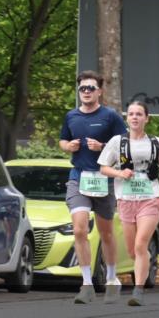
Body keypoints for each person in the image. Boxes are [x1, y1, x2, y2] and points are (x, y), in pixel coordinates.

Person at [59, 71, 128, 304]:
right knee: (79, 229)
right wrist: (68, 146)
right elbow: (62, 140)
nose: (86, 92)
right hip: (78, 178)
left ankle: (111, 278)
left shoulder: (110, 116)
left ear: (99, 91)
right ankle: (86, 283)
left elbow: (125, 145)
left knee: (106, 233)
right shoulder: (71, 116)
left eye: (90, 88)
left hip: (103, 179)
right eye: (82, 88)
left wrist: (104, 147)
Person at [99, 101, 159, 306]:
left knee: (141, 244)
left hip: (150, 197)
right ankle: (145, 262)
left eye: (139, 114)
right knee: (133, 250)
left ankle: (138, 290)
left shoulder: (157, 142)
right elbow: (104, 168)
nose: (134, 117)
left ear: (146, 118)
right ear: (127, 118)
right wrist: (119, 172)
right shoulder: (117, 142)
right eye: (131, 114)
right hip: (125, 198)